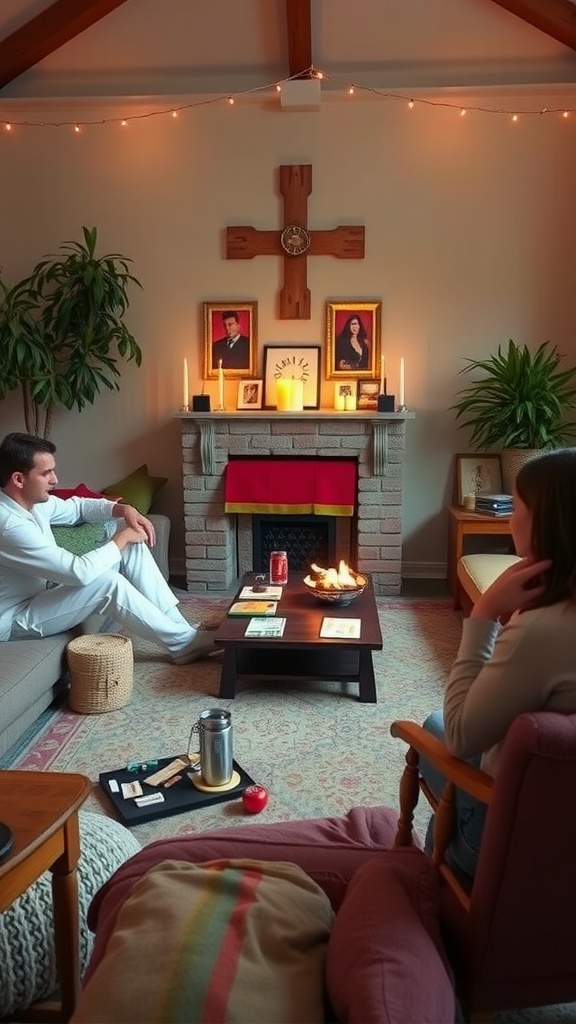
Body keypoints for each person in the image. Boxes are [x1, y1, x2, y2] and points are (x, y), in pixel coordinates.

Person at [421, 448, 576, 876]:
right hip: (561, 813)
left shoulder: (541, 631)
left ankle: (442, 876)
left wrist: (485, 614)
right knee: (436, 720)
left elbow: (459, 736)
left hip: (514, 836)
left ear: (548, 521)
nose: (509, 518)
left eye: (517, 505)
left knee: (435, 728)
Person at [0, 432, 219, 664]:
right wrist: (122, 538)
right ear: (18, 480)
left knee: (127, 531)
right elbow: (78, 572)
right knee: (108, 583)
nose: (55, 480)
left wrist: (125, 510)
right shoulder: (9, 526)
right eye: (46, 473)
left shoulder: (31, 504)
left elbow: (79, 507)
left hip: (40, 598)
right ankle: (183, 643)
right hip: (15, 619)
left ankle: (181, 629)